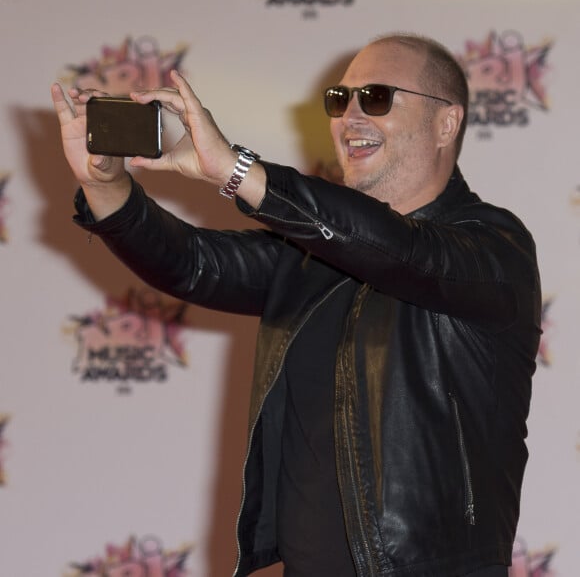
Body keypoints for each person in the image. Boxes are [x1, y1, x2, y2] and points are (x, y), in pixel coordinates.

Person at [51, 33, 541, 577]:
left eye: (375, 98)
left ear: (446, 123)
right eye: (339, 100)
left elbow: (402, 252)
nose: (350, 117)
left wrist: (233, 170)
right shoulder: (309, 258)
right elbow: (192, 263)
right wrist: (106, 185)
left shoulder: (493, 249)